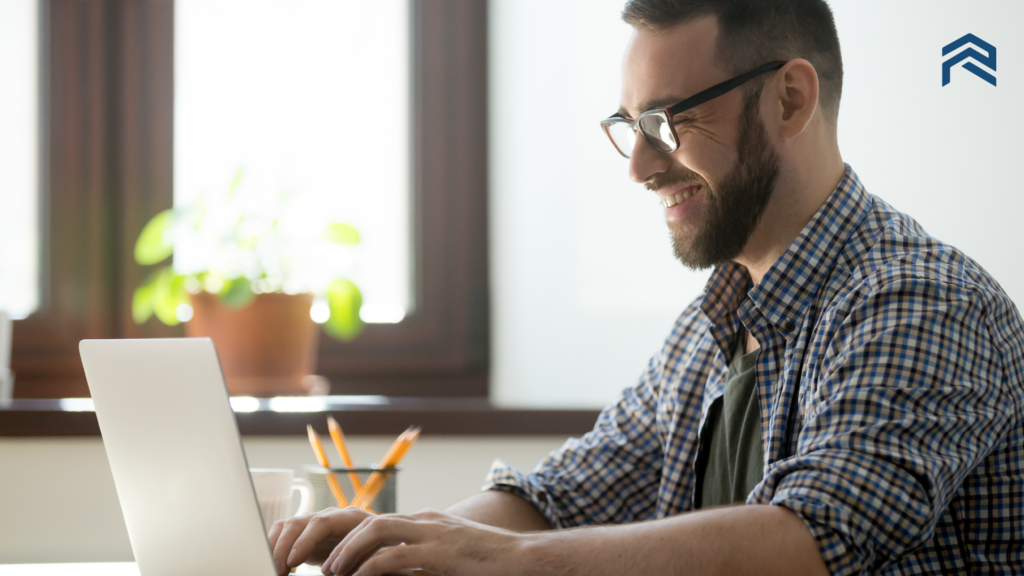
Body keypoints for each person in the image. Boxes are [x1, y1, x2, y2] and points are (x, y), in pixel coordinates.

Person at [269, 1, 1024, 574]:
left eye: (666, 121)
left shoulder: (922, 301)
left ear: (790, 99)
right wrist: (402, 543)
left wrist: (498, 560)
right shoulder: (712, 326)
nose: (639, 165)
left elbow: (817, 532)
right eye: (629, 126)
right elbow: (562, 498)